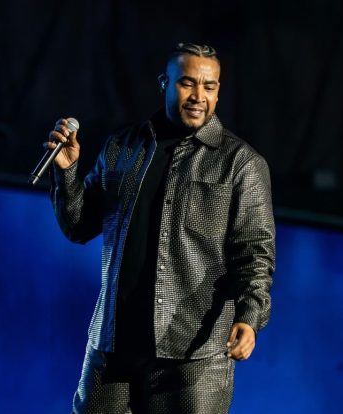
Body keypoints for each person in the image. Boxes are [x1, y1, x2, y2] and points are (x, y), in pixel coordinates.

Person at [46, 42, 275, 414]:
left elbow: (255, 254)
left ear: (218, 91)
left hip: (192, 356)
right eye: (187, 83)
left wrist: (249, 318)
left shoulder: (240, 164)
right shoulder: (122, 148)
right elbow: (78, 227)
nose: (198, 96)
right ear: (164, 84)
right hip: (114, 347)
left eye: (209, 86)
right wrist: (67, 173)